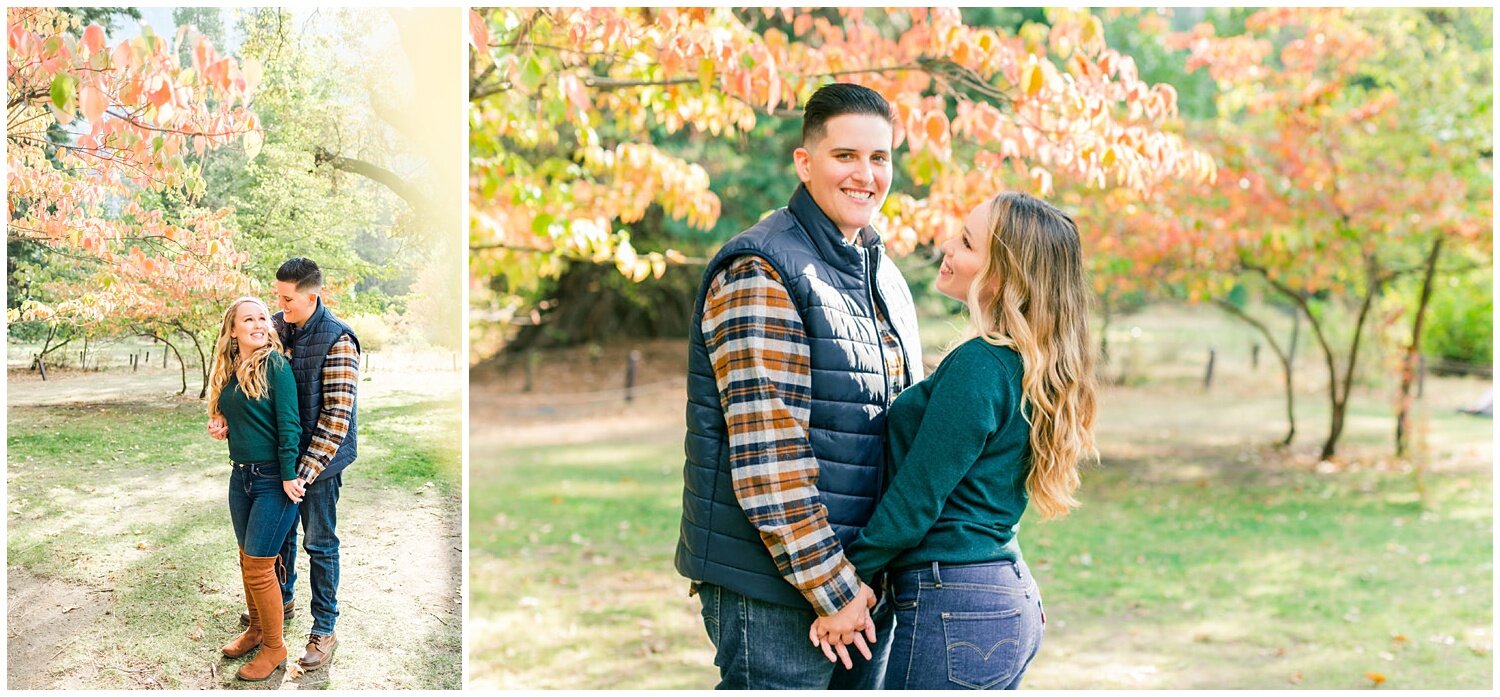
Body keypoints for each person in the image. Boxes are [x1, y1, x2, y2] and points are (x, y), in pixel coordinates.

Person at [675, 82, 924, 689]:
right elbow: (769, 462)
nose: (865, 174)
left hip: (862, 588)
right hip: (779, 594)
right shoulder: (763, 269)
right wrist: (835, 592)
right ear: (805, 162)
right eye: (846, 156)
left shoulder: (881, 274)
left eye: (879, 157)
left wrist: (868, 583)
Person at [810, 192, 1099, 690]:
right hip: (995, 601)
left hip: (959, 605)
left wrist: (847, 584)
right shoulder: (1019, 365)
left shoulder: (981, 365)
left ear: (1006, 277)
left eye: (966, 242)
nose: (946, 245)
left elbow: (917, 499)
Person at [210, 258, 360, 671]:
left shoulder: (339, 341)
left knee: (320, 543)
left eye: (286, 298)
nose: (278, 306)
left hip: (319, 464)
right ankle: (280, 602)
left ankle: (324, 628)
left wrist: (298, 476)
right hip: (275, 460)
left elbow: (335, 422)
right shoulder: (277, 324)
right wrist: (226, 416)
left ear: (312, 296)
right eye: (276, 296)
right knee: (280, 542)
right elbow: (244, 376)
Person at [209, 297, 302, 682]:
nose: (260, 323)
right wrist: (220, 424)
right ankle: (257, 630)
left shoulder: (275, 365)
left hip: (272, 481)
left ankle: (275, 647)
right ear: (233, 330)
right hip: (240, 477)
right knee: (247, 559)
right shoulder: (231, 370)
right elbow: (238, 415)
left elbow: (289, 424)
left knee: (261, 567)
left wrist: (286, 475)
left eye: (263, 317)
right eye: (249, 319)